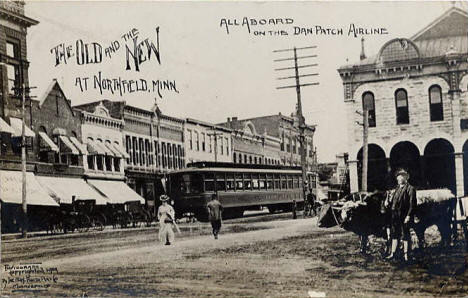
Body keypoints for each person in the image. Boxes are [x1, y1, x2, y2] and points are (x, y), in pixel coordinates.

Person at [385, 169, 417, 262]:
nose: (399, 178)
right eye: (398, 176)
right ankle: (393, 253)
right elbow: (394, 202)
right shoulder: (397, 188)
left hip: (404, 216)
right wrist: (388, 203)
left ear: (406, 177)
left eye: (401, 176)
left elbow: (412, 204)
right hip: (395, 216)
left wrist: (408, 216)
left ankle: (406, 254)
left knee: (405, 234)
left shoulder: (410, 189)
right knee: (395, 234)